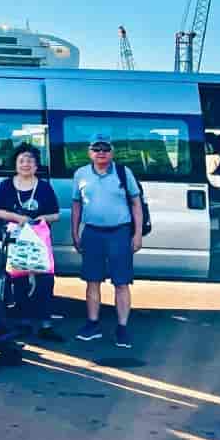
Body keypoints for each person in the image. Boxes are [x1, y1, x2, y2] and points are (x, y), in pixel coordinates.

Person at [71, 134, 144, 349]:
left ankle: (122, 328)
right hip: (92, 233)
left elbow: (136, 204)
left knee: (121, 282)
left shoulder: (124, 173)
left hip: (120, 233)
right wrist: (75, 233)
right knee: (92, 281)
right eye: (96, 148)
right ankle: (92, 324)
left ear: (112, 152)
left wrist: (137, 234)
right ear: (89, 152)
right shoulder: (81, 174)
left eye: (105, 148)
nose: (101, 152)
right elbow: (76, 206)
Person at [0, 144, 62, 342]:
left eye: (30, 160)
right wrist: (17, 217)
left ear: (36, 164)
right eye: (21, 160)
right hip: (15, 240)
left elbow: (56, 214)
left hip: (39, 241)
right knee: (19, 280)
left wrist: (39, 218)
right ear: (15, 163)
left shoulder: (44, 187)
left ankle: (45, 324)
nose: (26, 164)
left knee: (45, 281)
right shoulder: (6, 185)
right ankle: (23, 322)